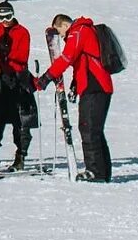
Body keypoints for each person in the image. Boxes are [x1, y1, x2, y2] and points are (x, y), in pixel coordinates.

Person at [37, 14, 114, 182]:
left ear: (65, 25)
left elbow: (67, 57)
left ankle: (95, 172)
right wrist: (75, 84)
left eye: (60, 32)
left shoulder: (78, 31)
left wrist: (46, 77)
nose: (62, 37)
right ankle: (103, 172)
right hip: (96, 86)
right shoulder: (85, 31)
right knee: (94, 130)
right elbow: (82, 62)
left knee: (88, 128)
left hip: (95, 87)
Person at [0, 0, 38, 171]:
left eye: (8, 16)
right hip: (2, 81)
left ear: (13, 15)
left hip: (18, 80)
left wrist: (9, 67)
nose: (5, 20)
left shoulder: (22, 32)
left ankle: (21, 155)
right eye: (1, 17)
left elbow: (21, 56)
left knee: (20, 120)